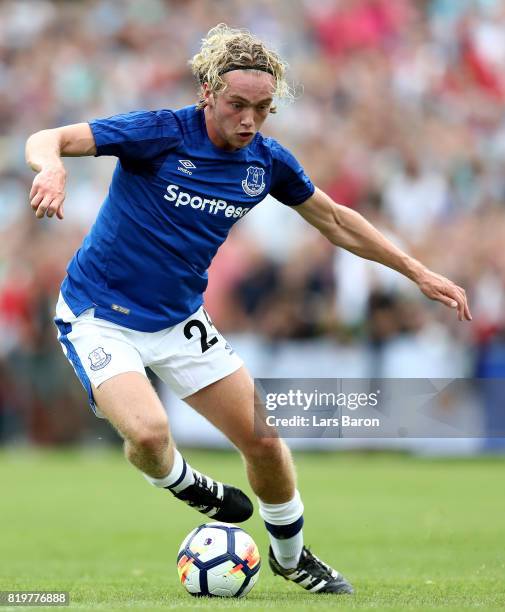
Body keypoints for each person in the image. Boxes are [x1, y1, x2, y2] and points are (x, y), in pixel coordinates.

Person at [25, 24, 471, 596]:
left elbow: (334, 220)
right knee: (150, 433)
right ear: (207, 92)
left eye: (262, 109)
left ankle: (290, 558)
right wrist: (53, 167)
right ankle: (186, 484)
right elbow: (46, 136)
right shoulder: (159, 133)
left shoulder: (266, 161)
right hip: (98, 314)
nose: (249, 120)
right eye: (238, 105)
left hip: (180, 320)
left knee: (264, 441)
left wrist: (418, 271)